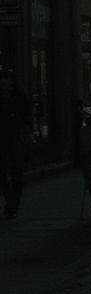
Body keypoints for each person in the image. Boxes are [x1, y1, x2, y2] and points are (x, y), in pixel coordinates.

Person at [0, 69, 32, 220]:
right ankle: (9, 198)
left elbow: (26, 118)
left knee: (16, 174)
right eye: (3, 82)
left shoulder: (19, 98)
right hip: (2, 139)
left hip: (16, 138)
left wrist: (25, 134)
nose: (5, 86)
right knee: (2, 173)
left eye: (8, 82)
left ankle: (13, 205)